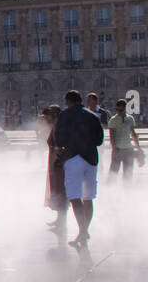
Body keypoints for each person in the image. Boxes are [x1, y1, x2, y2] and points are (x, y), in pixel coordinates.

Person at [54, 89, 104, 250]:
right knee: (88, 197)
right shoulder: (92, 115)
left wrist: (63, 147)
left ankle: (82, 231)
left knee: (75, 197)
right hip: (91, 158)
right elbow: (99, 140)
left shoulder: (65, 115)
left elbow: (59, 137)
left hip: (73, 157)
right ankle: (84, 231)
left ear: (68, 101)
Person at [39, 105, 67, 238]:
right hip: (55, 163)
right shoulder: (56, 127)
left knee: (60, 191)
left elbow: (61, 146)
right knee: (57, 190)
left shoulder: (59, 127)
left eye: (47, 117)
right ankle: (59, 219)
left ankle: (62, 221)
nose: (46, 120)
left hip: (58, 164)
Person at [107, 99, 141, 181]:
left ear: (125, 109)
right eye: (117, 110)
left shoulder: (130, 119)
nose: (118, 112)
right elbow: (112, 136)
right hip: (118, 149)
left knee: (128, 174)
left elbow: (133, 134)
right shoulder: (113, 120)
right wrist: (114, 149)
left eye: (121, 110)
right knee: (113, 173)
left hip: (128, 149)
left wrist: (138, 147)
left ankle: (127, 191)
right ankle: (109, 190)